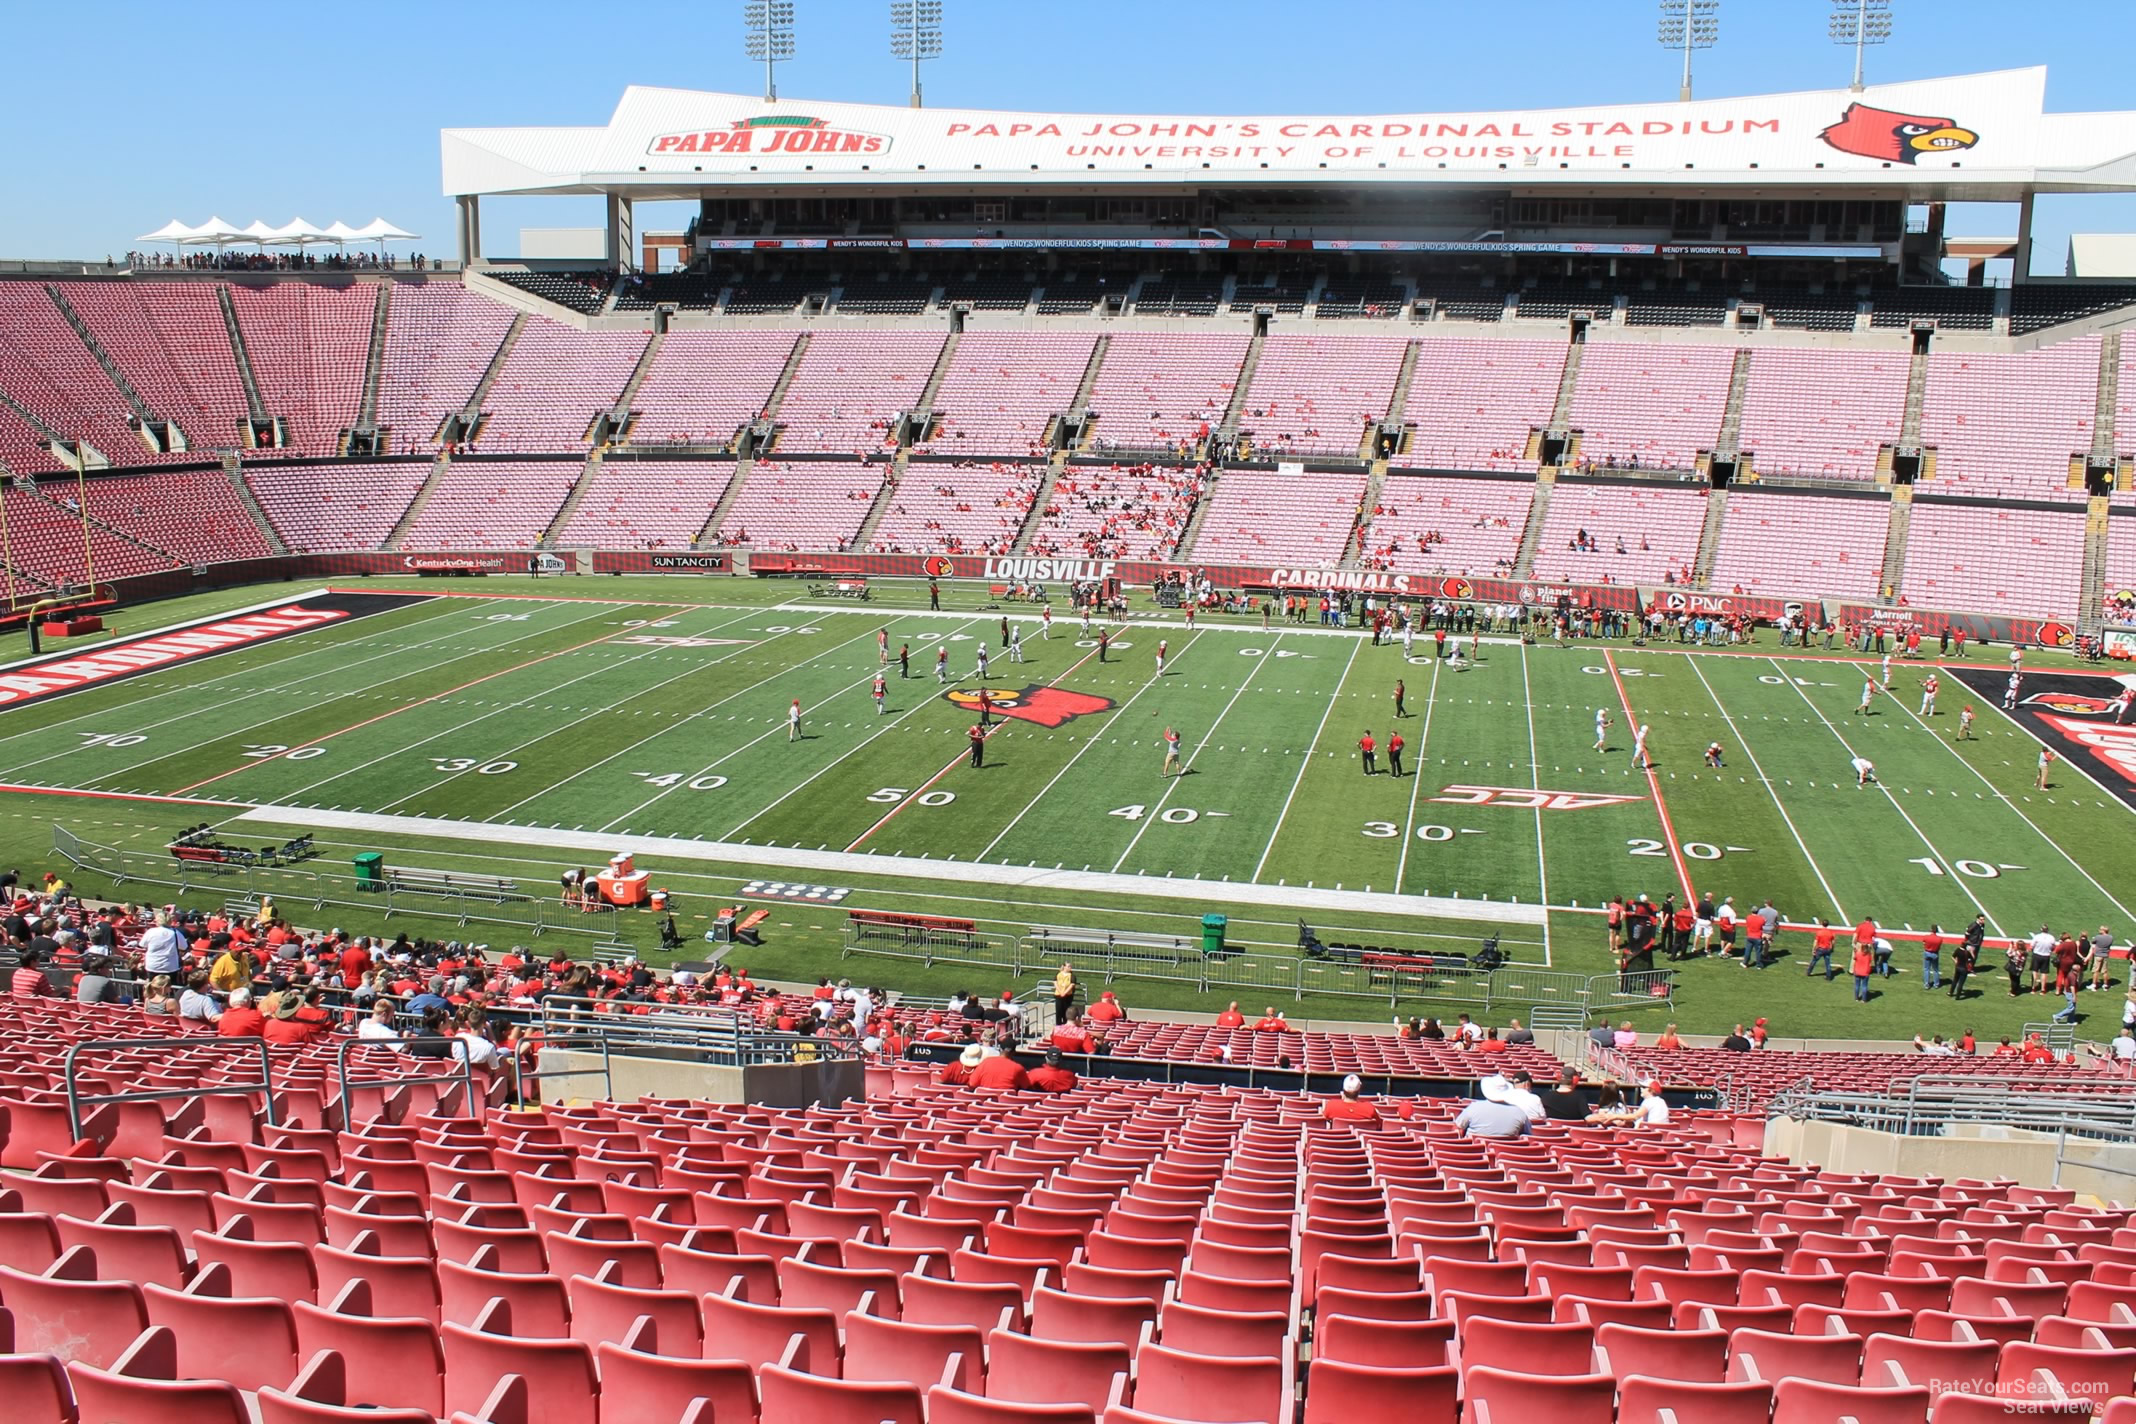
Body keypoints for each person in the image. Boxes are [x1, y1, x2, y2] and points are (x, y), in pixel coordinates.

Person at [1454, 1077, 1532, 1138]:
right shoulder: (1519, 1113)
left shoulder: (1474, 1107)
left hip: (1473, 1155)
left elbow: (1457, 1129)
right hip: (1507, 1157)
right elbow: (1527, 1136)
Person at [1921, 924, 1944, 991]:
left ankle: (1926, 984)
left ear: (1931, 929)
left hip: (1927, 953)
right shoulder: (1940, 939)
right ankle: (1936, 984)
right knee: (1936, 970)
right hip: (1935, 954)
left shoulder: (1926, 937)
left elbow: (1924, 944)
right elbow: (1939, 947)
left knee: (1926, 969)